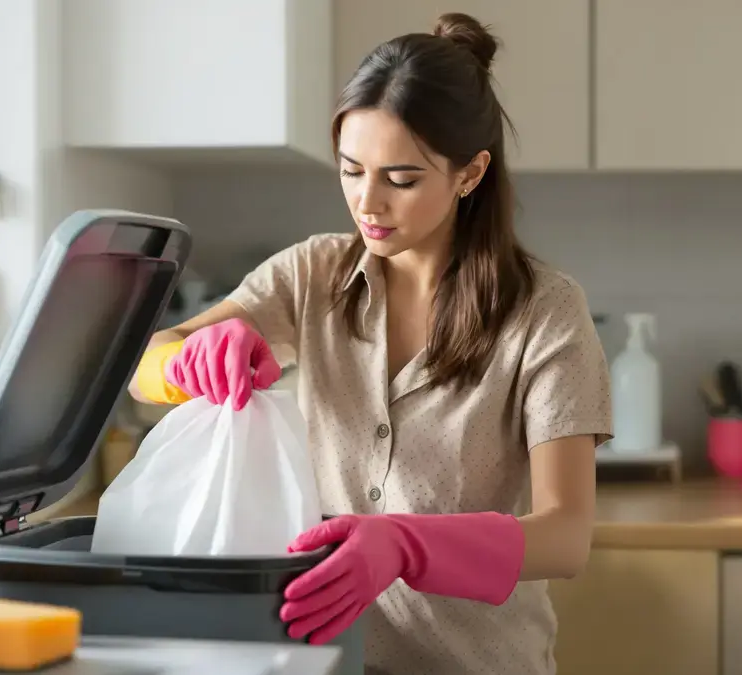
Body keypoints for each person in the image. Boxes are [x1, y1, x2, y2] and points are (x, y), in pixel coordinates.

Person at [130, 12, 611, 675]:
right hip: (327, 662)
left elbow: (565, 535)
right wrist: (188, 360)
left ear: (470, 174)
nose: (367, 202)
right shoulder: (311, 275)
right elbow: (143, 366)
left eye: (401, 179)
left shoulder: (545, 312)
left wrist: (404, 544)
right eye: (351, 170)